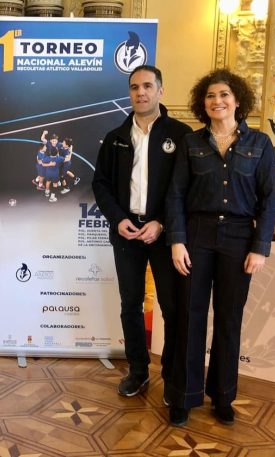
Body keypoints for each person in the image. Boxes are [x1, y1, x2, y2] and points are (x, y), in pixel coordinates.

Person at [166, 69, 275, 426]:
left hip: (239, 238)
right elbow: (176, 195)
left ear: (237, 100)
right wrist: (177, 240)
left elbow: (268, 200)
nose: (218, 101)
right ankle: (184, 396)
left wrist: (260, 247)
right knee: (189, 316)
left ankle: (223, 396)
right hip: (196, 236)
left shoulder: (260, 144)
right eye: (211, 96)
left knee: (229, 319)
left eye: (224, 94)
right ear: (203, 103)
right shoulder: (191, 143)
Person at [92, 65, 192, 399]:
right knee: (130, 304)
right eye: (135, 87)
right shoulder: (116, 137)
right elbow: (101, 184)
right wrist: (118, 219)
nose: (141, 92)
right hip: (127, 233)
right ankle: (138, 371)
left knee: (172, 307)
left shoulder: (181, 135)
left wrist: (161, 222)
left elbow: (186, 188)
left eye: (148, 86)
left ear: (161, 91)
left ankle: (172, 377)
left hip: (165, 235)